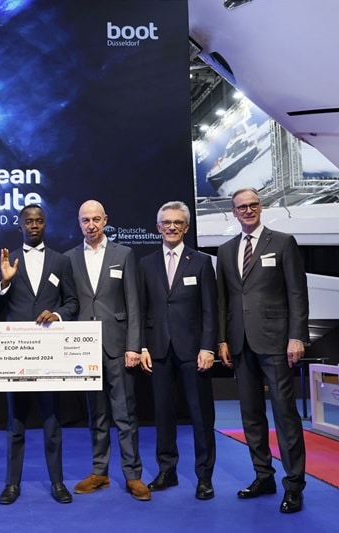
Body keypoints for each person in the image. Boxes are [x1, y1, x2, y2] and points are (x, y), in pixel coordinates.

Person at [217, 187, 309, 514]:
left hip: (276, 342)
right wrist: (222, 340)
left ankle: (294, 485)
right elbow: (223, 300)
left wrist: (297, 336)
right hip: (240, 343)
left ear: (261, 207)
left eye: (253, 204)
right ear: (233, 211)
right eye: (241, 206)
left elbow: (297, 292)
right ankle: (263, 476)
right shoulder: (226, 250)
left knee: (285, 414)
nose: (248, 210)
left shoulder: (283, 242)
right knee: (251, 415)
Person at [0, 204, 79, 505]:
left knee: (52, 423)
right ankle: (11, 484)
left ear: (45, 225)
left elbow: (73, 303)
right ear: (20, 226)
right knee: (15, 423)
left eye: (39, 221)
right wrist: (4, 282)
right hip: (16, 355)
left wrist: (57, 314)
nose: (34, 225)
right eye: (29, 221)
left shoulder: (61, 261)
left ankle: (57, 482)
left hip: (50, 355)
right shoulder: (9, 260)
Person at [64, 200, 150, 502]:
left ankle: (133, 475)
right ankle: (99, 472)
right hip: (84, 349)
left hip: (118, 346)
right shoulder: (68, 258)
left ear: (105, 220)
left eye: (96, 219)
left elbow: (134, 303)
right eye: (85, 220)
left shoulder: (123, 254)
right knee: (96, 415)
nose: (91, 225)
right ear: (79, 223)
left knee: (125, 415)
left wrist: (134, 346)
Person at [138, 201, 218, 501]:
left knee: (201, 415)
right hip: (158, 349)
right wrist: (142, 346)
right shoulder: (145, 264)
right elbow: (141, 308)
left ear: (186, 227)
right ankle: (166, 471)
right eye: (166, 223)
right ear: (158, 227)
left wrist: (208, 347)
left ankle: (204, 477)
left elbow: (210, 310)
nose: (171, 227)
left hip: (194, 351)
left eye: (177, 223)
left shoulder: (201, 262)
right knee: (163, 413)